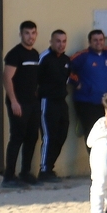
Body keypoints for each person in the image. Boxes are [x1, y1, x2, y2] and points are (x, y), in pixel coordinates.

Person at [2, 21, 43, 188]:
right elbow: (6, 78)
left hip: (32, 103)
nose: (30, 36)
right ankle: (9, 176)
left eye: (33, 33)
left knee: (32, 137)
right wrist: (14, 102)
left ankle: (25, 172)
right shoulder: (14, 54)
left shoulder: (35, 54)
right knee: (17, 137)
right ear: (21, 34)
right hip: (18, 103)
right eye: (27, 33)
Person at [37, 29, 70, 182]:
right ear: (51, 42)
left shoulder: (66, 60)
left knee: (61, 135)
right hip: (47, 102)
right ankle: (44, 170)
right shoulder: (44, 58)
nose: (61, 44)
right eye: (58, 41)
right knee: (49, 136)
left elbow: (68, 79)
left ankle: (50, 167)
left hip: (61, 102)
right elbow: (33, 79)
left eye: (64, 41)